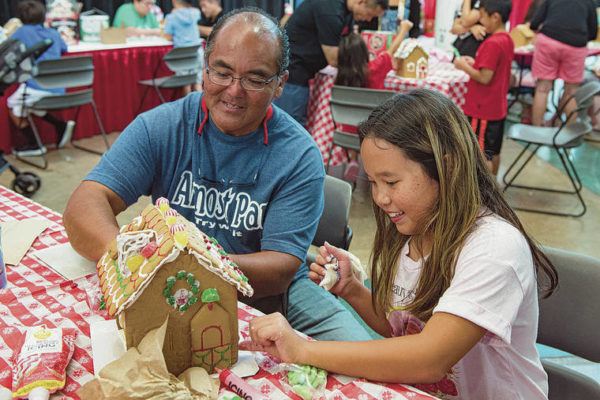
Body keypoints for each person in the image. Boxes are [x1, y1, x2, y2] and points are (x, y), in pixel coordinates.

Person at [63, 7, 373, 342]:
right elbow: (85, 203)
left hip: (271, 292)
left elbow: (280, 269)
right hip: (169, 278)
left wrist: (183, 266)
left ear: (281, 83)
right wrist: (132, 258)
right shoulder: (164, 126)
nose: (234, 91)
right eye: (221, 73)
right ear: (205, 67)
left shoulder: (298, 155)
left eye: (255, 79)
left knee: (364, 364)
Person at [240, 88, 558, 399]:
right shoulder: (416, 230)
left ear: (446, 167)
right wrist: (353, 290)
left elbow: (428, 358)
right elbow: (404, 327)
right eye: (374, 183)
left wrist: (304, 349)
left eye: (391, 182)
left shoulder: (494, 246)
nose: (380, 198)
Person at [274, 0, 388, 125]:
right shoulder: (330, 11)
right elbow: (333, 58)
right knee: (290, 124)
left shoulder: (347, 12)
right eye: (369, 14)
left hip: (305, 72)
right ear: (362, 2)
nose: (368, 19)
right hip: (294, 73)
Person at [334, 18, 412, 182]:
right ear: (364, 53)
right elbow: (390, 51)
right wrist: (404, 29)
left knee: (352, 121)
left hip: (345, 133)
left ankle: (353, 160)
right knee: (369, 119)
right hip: (374, 132)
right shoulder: (375, 68)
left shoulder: (339, 77)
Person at [7, 0, 75, 157]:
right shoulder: (53, 33)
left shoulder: (21, 32)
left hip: (36, 88)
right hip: (59, 90)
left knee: (13, 105)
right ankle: (60, 125)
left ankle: (34, 144)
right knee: (28, 104)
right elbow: (64, 49)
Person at [454, 0, 514, 175]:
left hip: (483, 108)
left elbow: (485, 78)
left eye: (482, 16)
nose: (480, 21)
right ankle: (493, 187)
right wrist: (475, 63)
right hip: (497, 106)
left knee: (480, 154)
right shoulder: (507, 39)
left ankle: (483, 192)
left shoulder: (492, 43)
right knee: (493, 150)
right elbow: (494, 69)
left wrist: (463, 66)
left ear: (495, 17)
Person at [529, 0, 597, 126]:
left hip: (549, 41)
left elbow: (534, 23)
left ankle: (536, 130)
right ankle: (568, 134)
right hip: (576, 46)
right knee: (571, 93)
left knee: (543, 89)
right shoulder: (589, 2)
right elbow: (592, 32)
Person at [163, 0, 202, 92]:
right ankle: (200, 105)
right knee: (197, 81)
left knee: (185, 83)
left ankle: (188, 104)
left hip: (182, 55)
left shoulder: (171, 17)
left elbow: (168, 37)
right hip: (197, 52)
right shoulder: (196, 12)